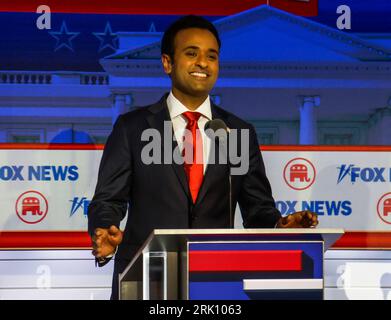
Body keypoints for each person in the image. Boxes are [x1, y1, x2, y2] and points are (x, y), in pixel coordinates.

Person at [87, 15, 318, 300]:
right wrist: (105, 230)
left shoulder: (237, 132)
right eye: (191, 53)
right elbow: (108, 199)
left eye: (212, 56)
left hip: (217, 280)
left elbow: (257, 209)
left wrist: (279, 227)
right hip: (147, 275)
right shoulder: (133, 128)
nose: (203, 63)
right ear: (167, 63)